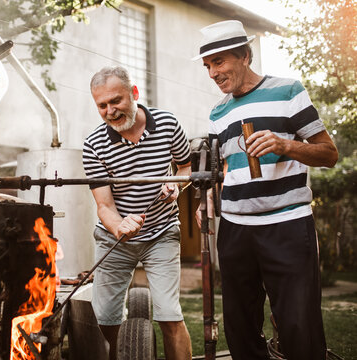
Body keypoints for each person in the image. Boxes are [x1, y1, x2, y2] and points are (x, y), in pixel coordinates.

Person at [193, 20, 339, 360]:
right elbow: (223, 170)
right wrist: (210, 201)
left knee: (298, 326)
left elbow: (329, 154)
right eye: (207, 66)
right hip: (236, 229)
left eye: (219, 62)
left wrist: (284, 145)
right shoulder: (218, 112)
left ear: (245, 55)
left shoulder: (288, 91)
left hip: (287, 225)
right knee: (240, 329)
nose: (213, 73)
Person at [82, 66, 193, 360]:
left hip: (161, 233)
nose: (109, 111)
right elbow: (104, 206)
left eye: (115, 101)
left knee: (170, 315)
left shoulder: (168, 124)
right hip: (113, 239)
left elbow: (185, 167)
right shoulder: (93, 145)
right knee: (103, 320)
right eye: (101, 105)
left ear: (134, 93)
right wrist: (120, 226)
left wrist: (176, 185)